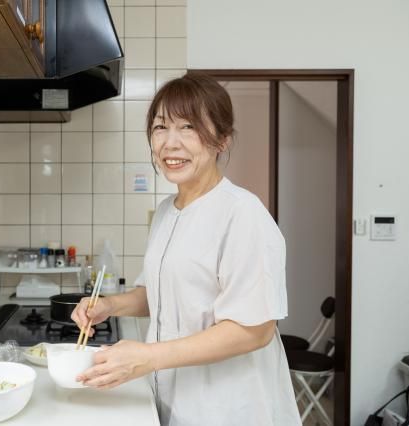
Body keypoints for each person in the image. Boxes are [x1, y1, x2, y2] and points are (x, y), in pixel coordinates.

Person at [71, 73, 302, 426]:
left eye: (188, 127)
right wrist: (108, 306)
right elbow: (160, 294)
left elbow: (255, 330)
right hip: (173, 399)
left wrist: (149, 357)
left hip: (229, 409)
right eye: (160, 127)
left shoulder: (242, 213)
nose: (170, 143)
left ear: (222, 139)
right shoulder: (166, 212)